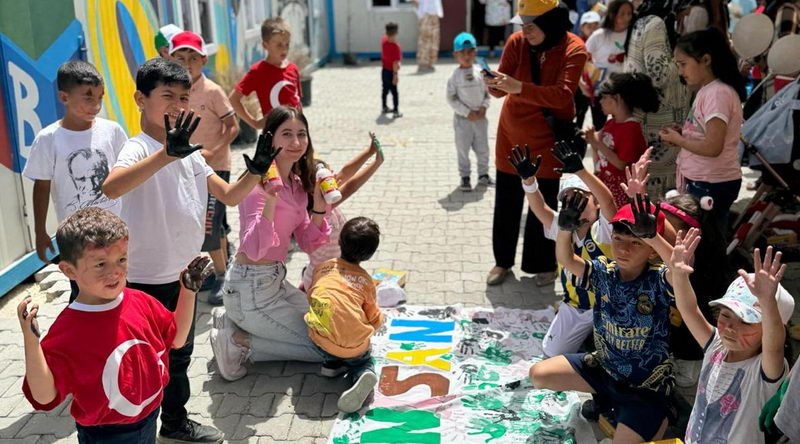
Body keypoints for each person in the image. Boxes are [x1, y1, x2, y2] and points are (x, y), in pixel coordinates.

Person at [102, 58, 271, 443]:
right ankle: (132, 428)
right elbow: (111, 187)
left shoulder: (190, 153)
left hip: (185, 279)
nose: (178, 105)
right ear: (140, 100)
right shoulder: (138, 147)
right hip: (144, 280)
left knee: (179, 356)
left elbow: (228, 195)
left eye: (183, 97)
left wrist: (256, 170)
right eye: (167, 96)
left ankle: (175, 423)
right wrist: (165, 155)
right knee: (145, 359)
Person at [18, 207, 211, 444]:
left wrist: (188, 292)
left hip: (150, 417)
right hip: (106, 434)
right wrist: (31, 341)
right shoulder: (68, 329)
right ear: (69, 270)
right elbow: (44, 396)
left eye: (121, 259)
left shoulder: (141, 301)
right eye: (100, 264)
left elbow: (177, 339)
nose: (115, 272)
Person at [530, 194, 678, 444]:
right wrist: (565, 229)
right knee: (539, 374)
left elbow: (679, 271)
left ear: (652, 251)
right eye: (618, 239)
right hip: (606, 368)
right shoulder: (603, 271)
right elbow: (567, 260)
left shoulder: (659, 280)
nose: (623, 248)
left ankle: (663, 412)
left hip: (645, 387)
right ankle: (606, 400)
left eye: (636, 243)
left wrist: (654, 237)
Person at [209, 106, 331, 382]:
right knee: (325, 348)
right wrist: (271, 200)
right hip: (250, 287)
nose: (296, 143)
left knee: (328, 330)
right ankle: (238, 341)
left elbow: (310, 244)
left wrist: (320, 208)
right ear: (269, 139)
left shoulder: (297, 184)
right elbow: (252, 247)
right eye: (286, 134)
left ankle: (231, 321)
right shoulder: (255, 186)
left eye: (302, 134)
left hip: (275, 282)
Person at [483, 0, 588, 286]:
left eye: (532, 25)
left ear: (552, 22)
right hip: (511, 140)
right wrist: (492, 84)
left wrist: (518, 87)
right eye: (522, 24)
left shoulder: (574, 48)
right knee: (506, 203)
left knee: (542, 207)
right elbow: (499, 92)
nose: (525, 30)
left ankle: (543, 264)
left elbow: (563, 95)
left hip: (548, 141)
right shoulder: (516, 42)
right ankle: (502, 263)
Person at [671, 237, 793, 444]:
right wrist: (679, 274)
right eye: (725, 315)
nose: (729, 327)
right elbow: (689, 310)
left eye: (746, 321)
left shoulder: (764, 371)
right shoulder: (716, 347)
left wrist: (768, 303)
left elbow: (774, 344)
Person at [507, 141, 617, 357]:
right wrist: (529, 182)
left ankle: (594, 340)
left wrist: (581, 171)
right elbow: (539, 207)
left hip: (609, 307)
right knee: (551, 352)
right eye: (568, 201)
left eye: (580, 199)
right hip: (575, 306)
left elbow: (609, 202)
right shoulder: (562, 226)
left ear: (595, 203)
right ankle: (585, 338)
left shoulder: (605, 229)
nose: (574, 205)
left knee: (611, 356)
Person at [23, 61, 127, 264]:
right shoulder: (48, 138)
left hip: (117, 230)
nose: (96, 105)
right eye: (88, 97)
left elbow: (128, 175)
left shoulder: (112, 131)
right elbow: (42, 186)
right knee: (83, 286)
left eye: (99, 97)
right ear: (64, 97)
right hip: (77, 238)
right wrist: (40, 231)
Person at [171, 31, 240, 305]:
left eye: (192, 58)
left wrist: (214, 151)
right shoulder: (174, 92)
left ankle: (224, 277)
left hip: (215, 168)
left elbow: (233, 127)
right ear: (170, 58)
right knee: (196, 223)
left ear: (203, 59)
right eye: (180, 58)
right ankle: (210, 268)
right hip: (185, 169)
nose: (187, 63)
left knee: (210, 227)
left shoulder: (212, 91)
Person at [659, 28, 746, 234]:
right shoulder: (709, 90)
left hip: (711, 182)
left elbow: (713, 146)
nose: (680, 72)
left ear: (706, 60)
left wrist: (680, 140)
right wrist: (683, 134)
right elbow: (705, 134)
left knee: (707, 244)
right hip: (705, 179)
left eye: (683, 64)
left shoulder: (717, 94)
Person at [305, 217, 384, 413]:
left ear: (339, 241)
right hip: (353, 348)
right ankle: (362, 373)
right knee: (363, 357)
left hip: (321, 342)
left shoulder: (322, 268)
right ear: (370, 254)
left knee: (329, 320)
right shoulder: (365, 281)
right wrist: (376, 323)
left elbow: (313, 296)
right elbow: (373, 318)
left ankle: (331, 364)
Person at [658, 192, 734, 387]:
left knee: (682, 381)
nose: (658, 233)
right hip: (668, 339)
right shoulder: (659, 253)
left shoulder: (704, 271)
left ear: (691, 235)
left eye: (666, 228)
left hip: (691, 351)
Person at [623, 0, 691, 199]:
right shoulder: (656, 24)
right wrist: (684, 61)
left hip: (648, 118)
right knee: (658, 193)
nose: (687, 14)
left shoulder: (644, 21)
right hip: (658, 121)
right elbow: (657, 73)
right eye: (685, 8)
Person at [300, 134, 384, 291]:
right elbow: (352, 184)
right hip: (324, 282)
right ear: (315, 188)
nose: (334, 175)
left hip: (323, 273)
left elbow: (345, 172)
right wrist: (376, 163)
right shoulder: (320, 210)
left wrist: (370, 151)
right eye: (329, 177)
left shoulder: (322, 201)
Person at [585, 72, 659, 208]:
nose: (600, 101)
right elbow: (600, 159)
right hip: (605, 185)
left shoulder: (631, 128)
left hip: (621, 190)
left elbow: (621, 163)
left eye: (604, 97)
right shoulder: (610, 123)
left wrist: (597, 143)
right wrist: (594, 142)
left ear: (617, 98)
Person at [230, 17, 301, 131]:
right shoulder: (258, 71)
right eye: (279, 45)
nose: (284, 49)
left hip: (295, 131)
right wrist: (255, 123)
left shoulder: (293, 69)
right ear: (265, 45)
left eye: (287, 44)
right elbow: (233, 99)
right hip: (274, 135)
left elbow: (297, 102)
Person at [447, 32, 492, 191]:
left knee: (483, 148)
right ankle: (465, 177)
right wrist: (467, 112)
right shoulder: (454, 76)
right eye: (462, 52)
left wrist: (484, 107)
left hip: (480, 119)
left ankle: (483, 175)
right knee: (463, 150)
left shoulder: (481, 72)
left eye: (470, 51)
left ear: (475, 52)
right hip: (463, 121)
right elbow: (451, 99)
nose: (467, 56)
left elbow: (488, 94)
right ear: (455, 54)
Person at [584, 0, 635, 130]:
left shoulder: (635, 35)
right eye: (622, 14)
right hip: (600, 90)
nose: (626, 18)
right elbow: (583, 58)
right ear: (612, 15)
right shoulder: (599, 35)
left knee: (623, 126)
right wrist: (584, 81)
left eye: (629, 13)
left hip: (625, 90)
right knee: (600, 128)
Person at [412, 0, 444, 71]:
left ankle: (430, 63)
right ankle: (422, 63)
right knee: (425, 40)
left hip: (435, 13)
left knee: (434, 39)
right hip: (425, 13)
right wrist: (416, 4)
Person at [381, 22, 403, 118]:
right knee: (394, 92)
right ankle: (396, 110)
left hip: (384, 70)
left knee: (385, 89)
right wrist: (395, 75)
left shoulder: (384, 41)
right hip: (391, 72)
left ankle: (384, 107)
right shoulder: (396, 47)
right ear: (396, 33)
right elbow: (395, 63)